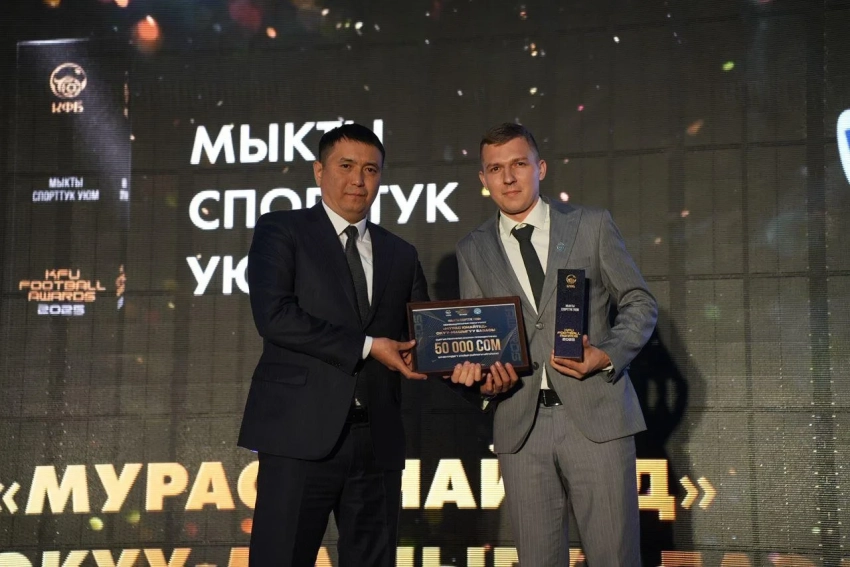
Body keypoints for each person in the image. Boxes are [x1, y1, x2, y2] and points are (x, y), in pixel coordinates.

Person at [449, 122, 657, 566]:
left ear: (540, 168)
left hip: (597, 417)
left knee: (615, 557)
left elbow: (640, 302)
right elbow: (481, 339)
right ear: (483, 179)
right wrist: (485, 382)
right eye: (495, 169)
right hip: (520, 425)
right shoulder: (472, 248)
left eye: (519, 164)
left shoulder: (590, 225)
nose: (508, 178)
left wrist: (607, 355)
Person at [238, 123, 429, 566]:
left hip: (377, 442)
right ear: (319, 171)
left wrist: (475, 366)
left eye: (371, 170)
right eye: (346, 166)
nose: (358, 180)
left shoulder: (401, 253)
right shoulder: (281, 229)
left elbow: (424, 336)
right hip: (297, 436)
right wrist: (367, 346)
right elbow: (275, 316)